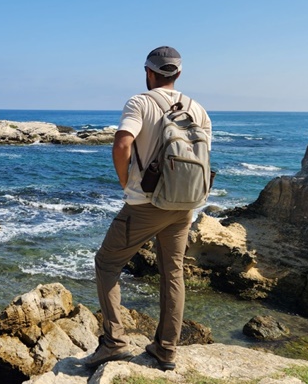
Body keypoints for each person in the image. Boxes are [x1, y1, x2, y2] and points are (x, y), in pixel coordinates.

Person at [84, 46, 212, 370]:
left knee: (107, 263)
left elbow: (122, 143)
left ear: (148, 73)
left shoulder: (140, 102)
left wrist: (126, 182)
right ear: (179, 74)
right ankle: (166, 349)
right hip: (185, 205)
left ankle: (114, 342)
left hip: (145, 203)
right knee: (173, 272)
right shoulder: (199, 109)